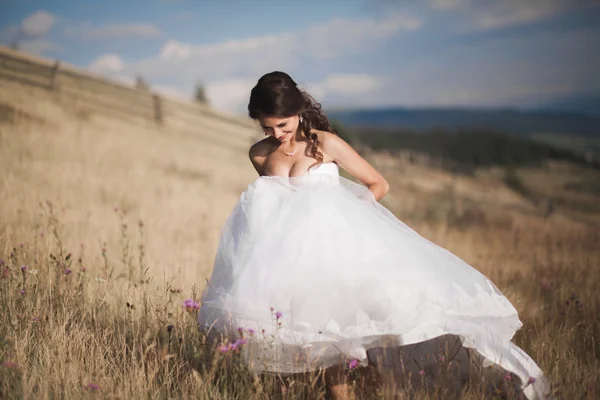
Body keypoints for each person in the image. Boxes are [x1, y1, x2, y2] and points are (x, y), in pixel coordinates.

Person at [197, 71, 549, 399]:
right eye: (267, 126)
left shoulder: (326, 144)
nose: (276, 134)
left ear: (299, 111)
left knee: (373, 330)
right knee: (318, 345)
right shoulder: (260, 154)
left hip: (340, 256)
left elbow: (378, 184)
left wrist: (349, 217)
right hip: (292, 265)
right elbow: (272, 208)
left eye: (282, 125)